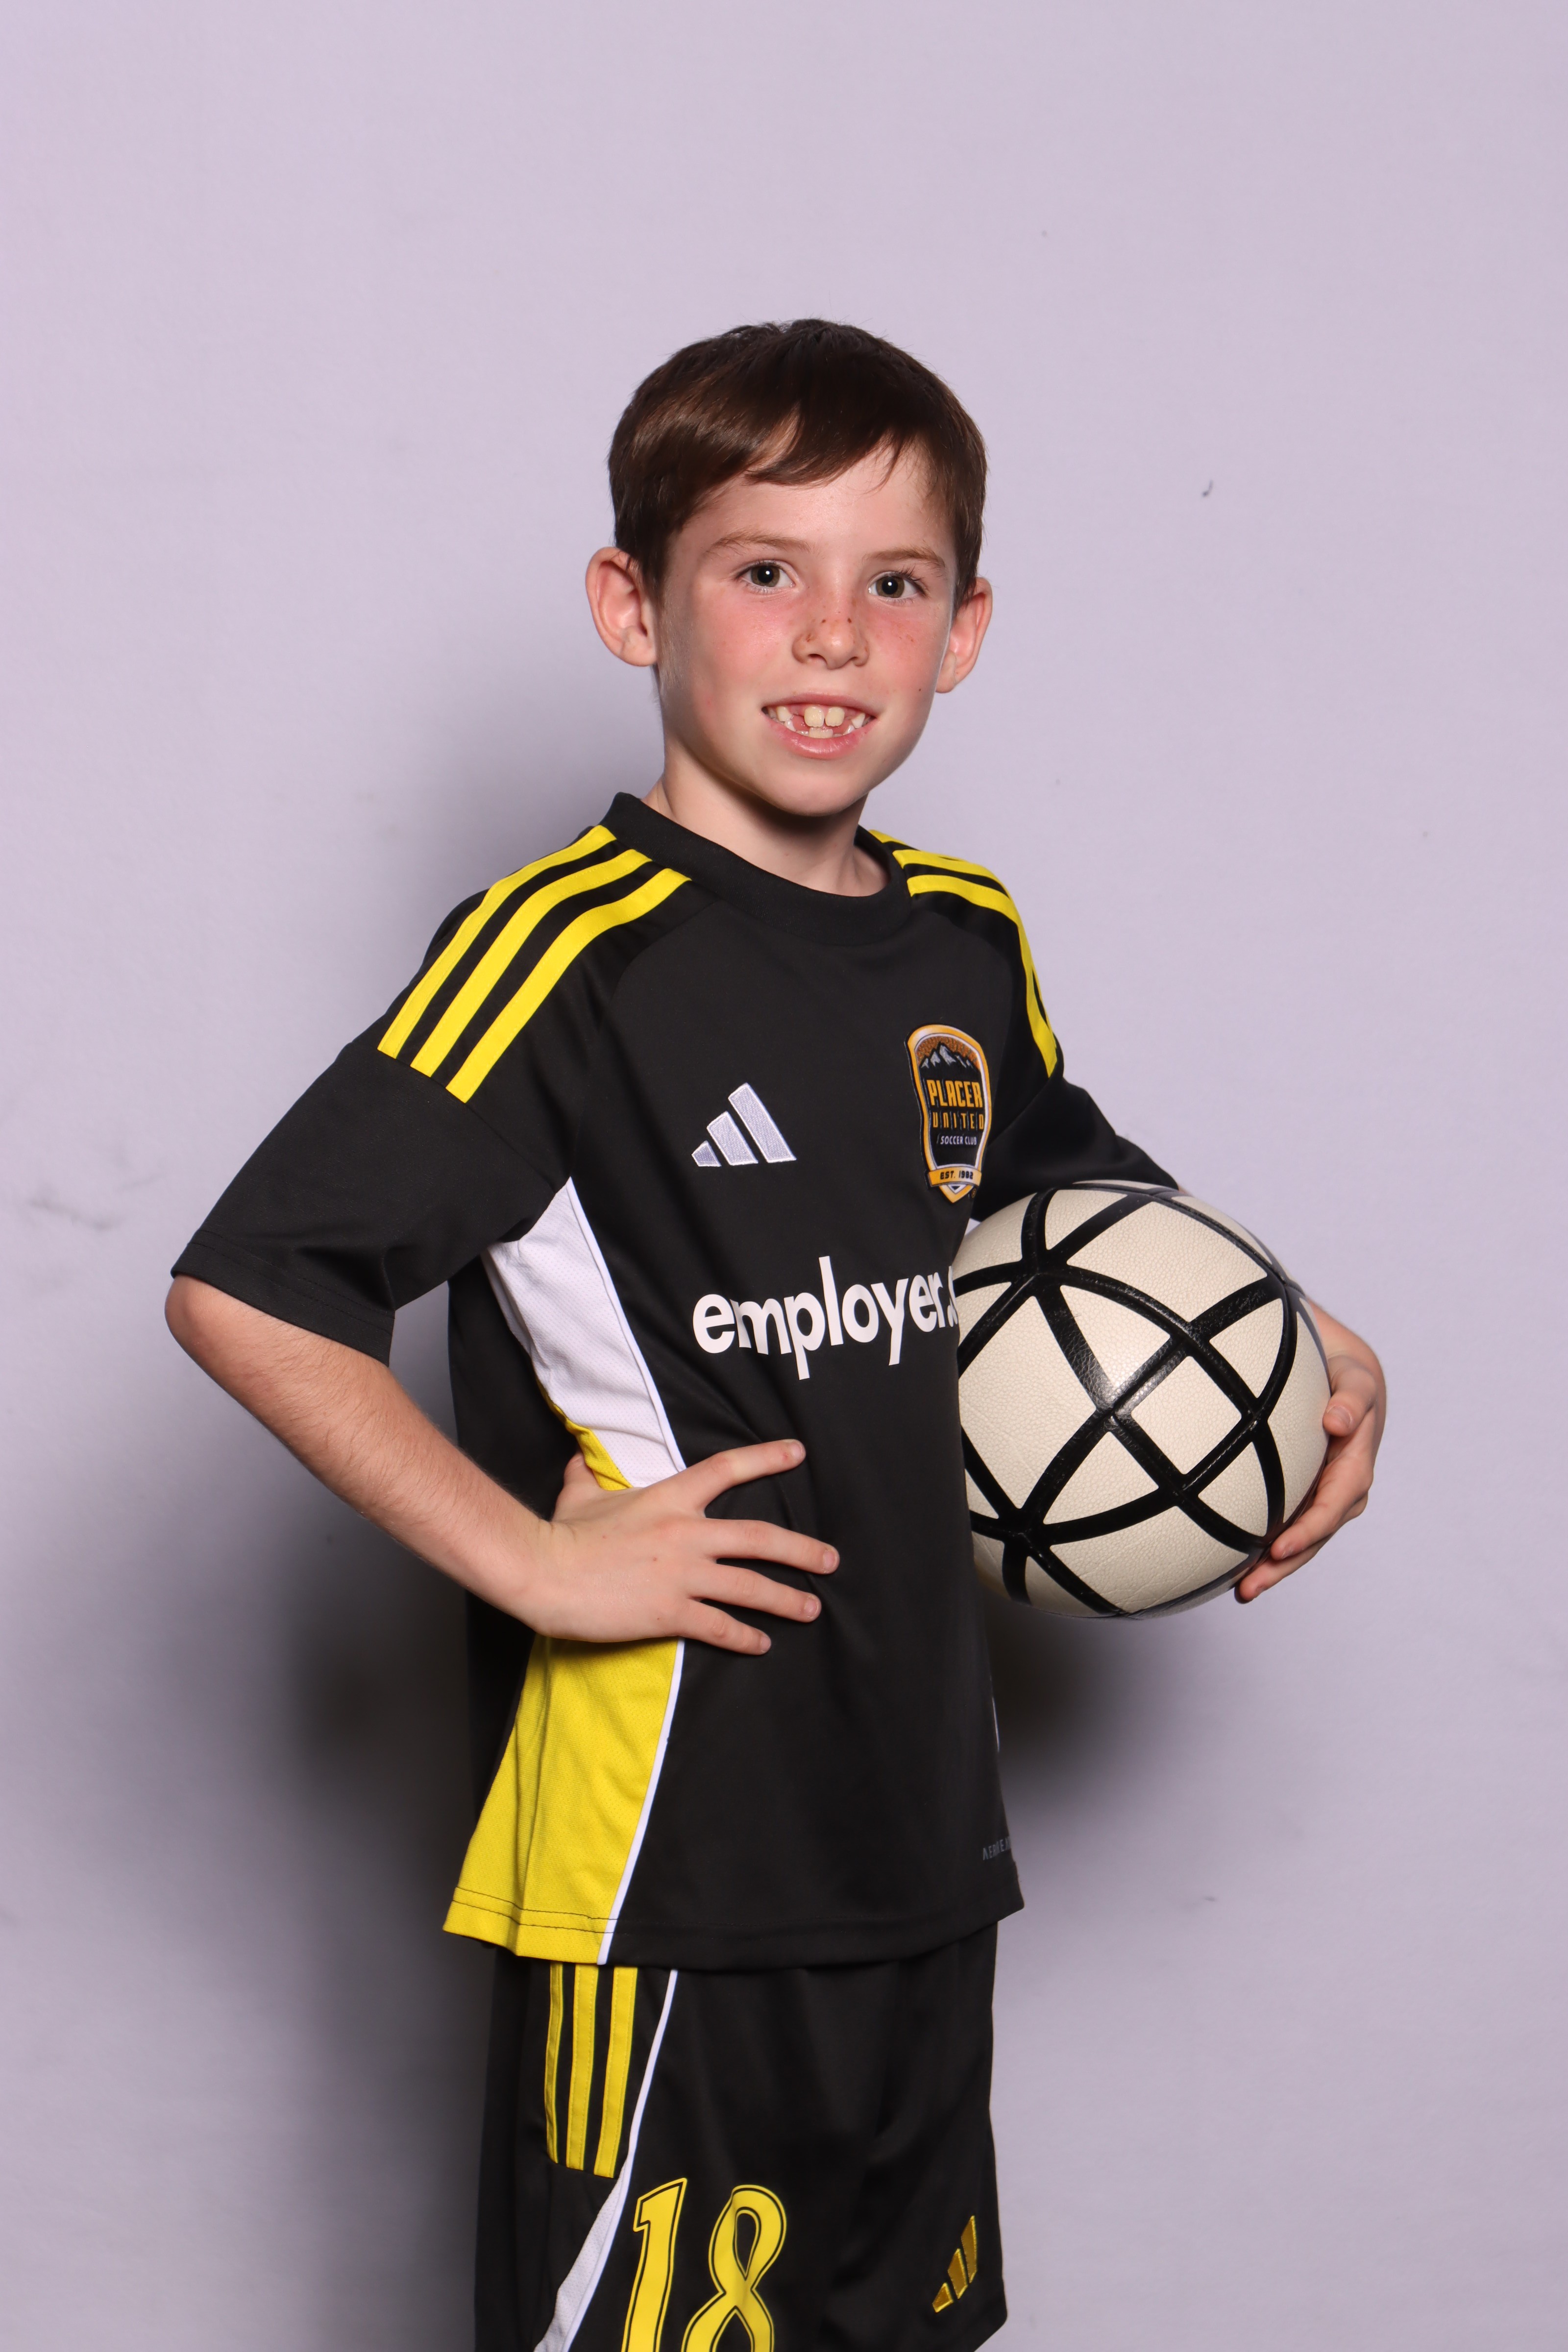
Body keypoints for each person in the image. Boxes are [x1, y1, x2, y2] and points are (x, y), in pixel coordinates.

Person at [167, 320, 1385, 2352]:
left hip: (919, 1829)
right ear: (631, 604)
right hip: (669, 1856)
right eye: (762, 570)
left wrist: (1303, 1348)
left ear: (962, 630)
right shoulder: (562, 957)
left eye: (892, 582)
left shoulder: (964, 938)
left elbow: (1067, 1200)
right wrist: (534, 1560)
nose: (831, 635)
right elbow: (249, 1283)